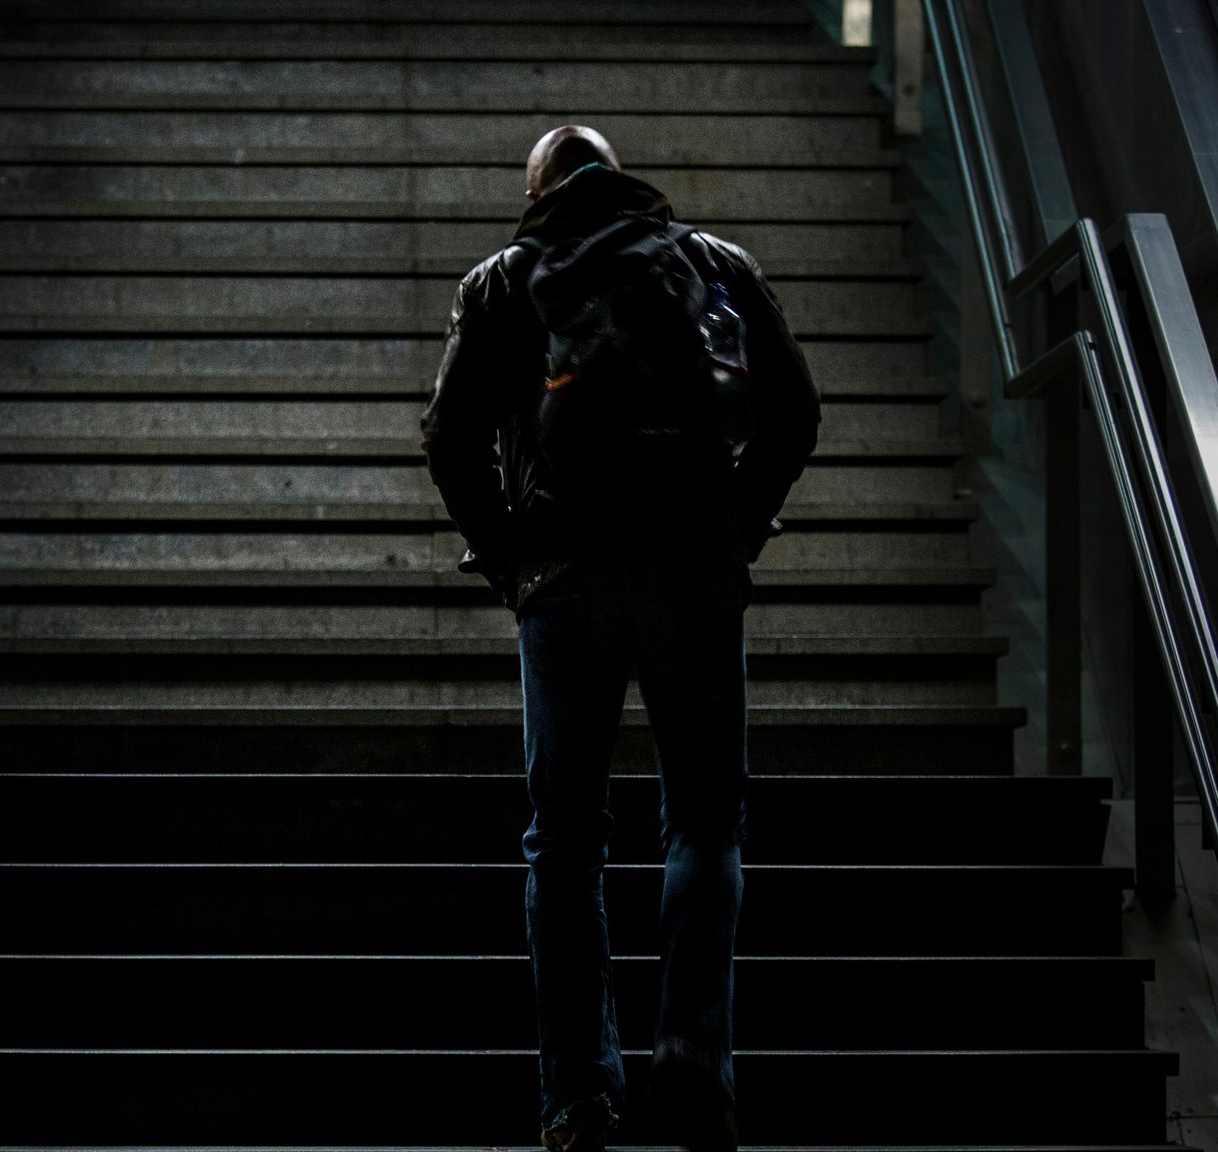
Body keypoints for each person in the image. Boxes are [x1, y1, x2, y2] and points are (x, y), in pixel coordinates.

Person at [419, 126, 820, 1151]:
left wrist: (506, 556)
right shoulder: (710, 265)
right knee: (703, 826)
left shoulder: (502, 282)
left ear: (537, 191)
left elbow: (447, 439)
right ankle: (692, 1069)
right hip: (692, 570)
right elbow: (793, 408)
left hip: (564, 583)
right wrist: (737, 525)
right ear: (618, 181)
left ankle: (577, 1097)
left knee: (562, 842)